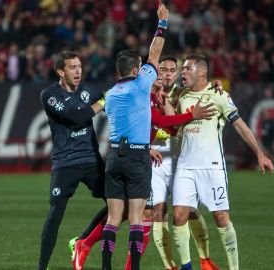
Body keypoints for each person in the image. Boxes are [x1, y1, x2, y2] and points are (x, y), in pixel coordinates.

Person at [171, 54, 274, 270]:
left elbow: (239, 125)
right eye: (183, 69)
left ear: (201, 72)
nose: (183, 72)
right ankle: (186, 267)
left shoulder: (219, 95)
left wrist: (259, 153)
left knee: (221, 218)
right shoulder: (182, 97)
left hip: (212, 167)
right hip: (185, 166)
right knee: (179, 215)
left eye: (187, 69)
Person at [101, 4, 169, 270]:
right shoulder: (141, 85)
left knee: (113, 218)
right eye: (141, 67)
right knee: (137, 218)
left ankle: (106, 268)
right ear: (135, 69)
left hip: (114, 156)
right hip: (137, 156)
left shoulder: (110, 95)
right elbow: (155, 51)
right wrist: (162, 23)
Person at [148, 57, 220, 270]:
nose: (168, 74)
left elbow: (204, 89)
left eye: (172, 70)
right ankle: (171, 266)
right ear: (156, 71)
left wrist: (215, 84)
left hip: (180, 159)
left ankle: (205, 259)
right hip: (155, 160)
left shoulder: (184, 93)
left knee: (190, 212)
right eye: (163, 69)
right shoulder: (145, 94)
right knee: (158, 212)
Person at [38, 50, 107, 270]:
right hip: (65, 163)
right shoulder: (50, 95)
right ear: (61, 71)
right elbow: (76, 118)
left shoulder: (88, 90)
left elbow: (114, 99)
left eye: (79, 66)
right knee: (55, 215)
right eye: (72, 67)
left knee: (120, 204)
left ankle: (81, 241)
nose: (78, 71)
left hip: (91, 161)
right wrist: (103, 103)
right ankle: (42, 268)